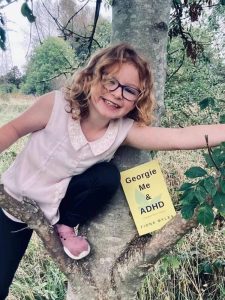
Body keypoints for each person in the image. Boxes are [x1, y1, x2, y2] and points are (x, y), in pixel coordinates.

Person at [0, 43, 225, 299]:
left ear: (137, 99)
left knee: (106, 176)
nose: (117, 94)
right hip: (15, 202)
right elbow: (13, 129)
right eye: (111, 82)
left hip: (58, 204)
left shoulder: (122, 131)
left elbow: (179, 136)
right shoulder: (56, 105)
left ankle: (65, 226)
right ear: (92, 77)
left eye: (130, 90)